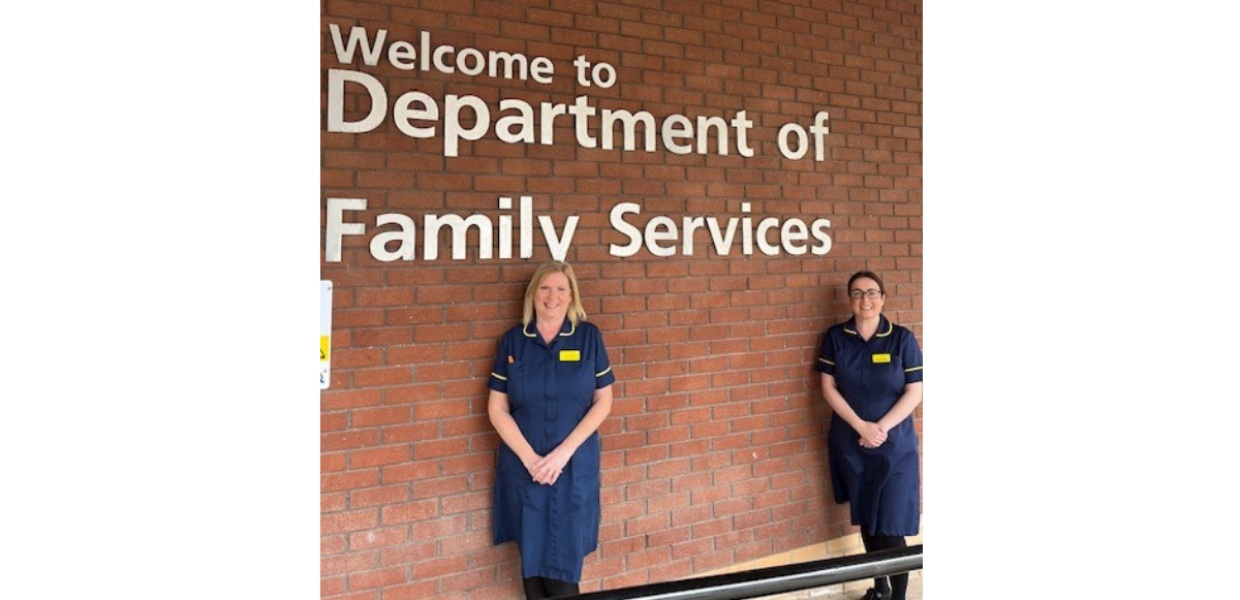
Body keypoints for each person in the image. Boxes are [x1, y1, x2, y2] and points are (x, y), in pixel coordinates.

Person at [487, 261, 615, 599]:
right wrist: (532, 460)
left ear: (571, 295)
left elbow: (603, 401)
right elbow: (497, 408)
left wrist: (562, 454)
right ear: (533, 294)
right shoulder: (513, 342)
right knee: (533, 565)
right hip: (526, 469)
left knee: (563, 569)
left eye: (560, 288)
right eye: (545, 288)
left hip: (572, 467)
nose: (552, 296)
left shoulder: (588, 337)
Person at [815, 271, 924, 600]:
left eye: (873, 292)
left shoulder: (902, 339)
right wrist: (861, 427)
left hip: (895, 448)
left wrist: (881, 429)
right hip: (853, 443)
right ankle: (879, 588)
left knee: (889, 526)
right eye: (858, 293)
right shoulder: (836, 337)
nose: (866, 300)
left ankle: (899, 597)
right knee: (866, 518)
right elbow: (828, 387)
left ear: (883, 298)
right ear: (850, 299)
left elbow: (915, 391)